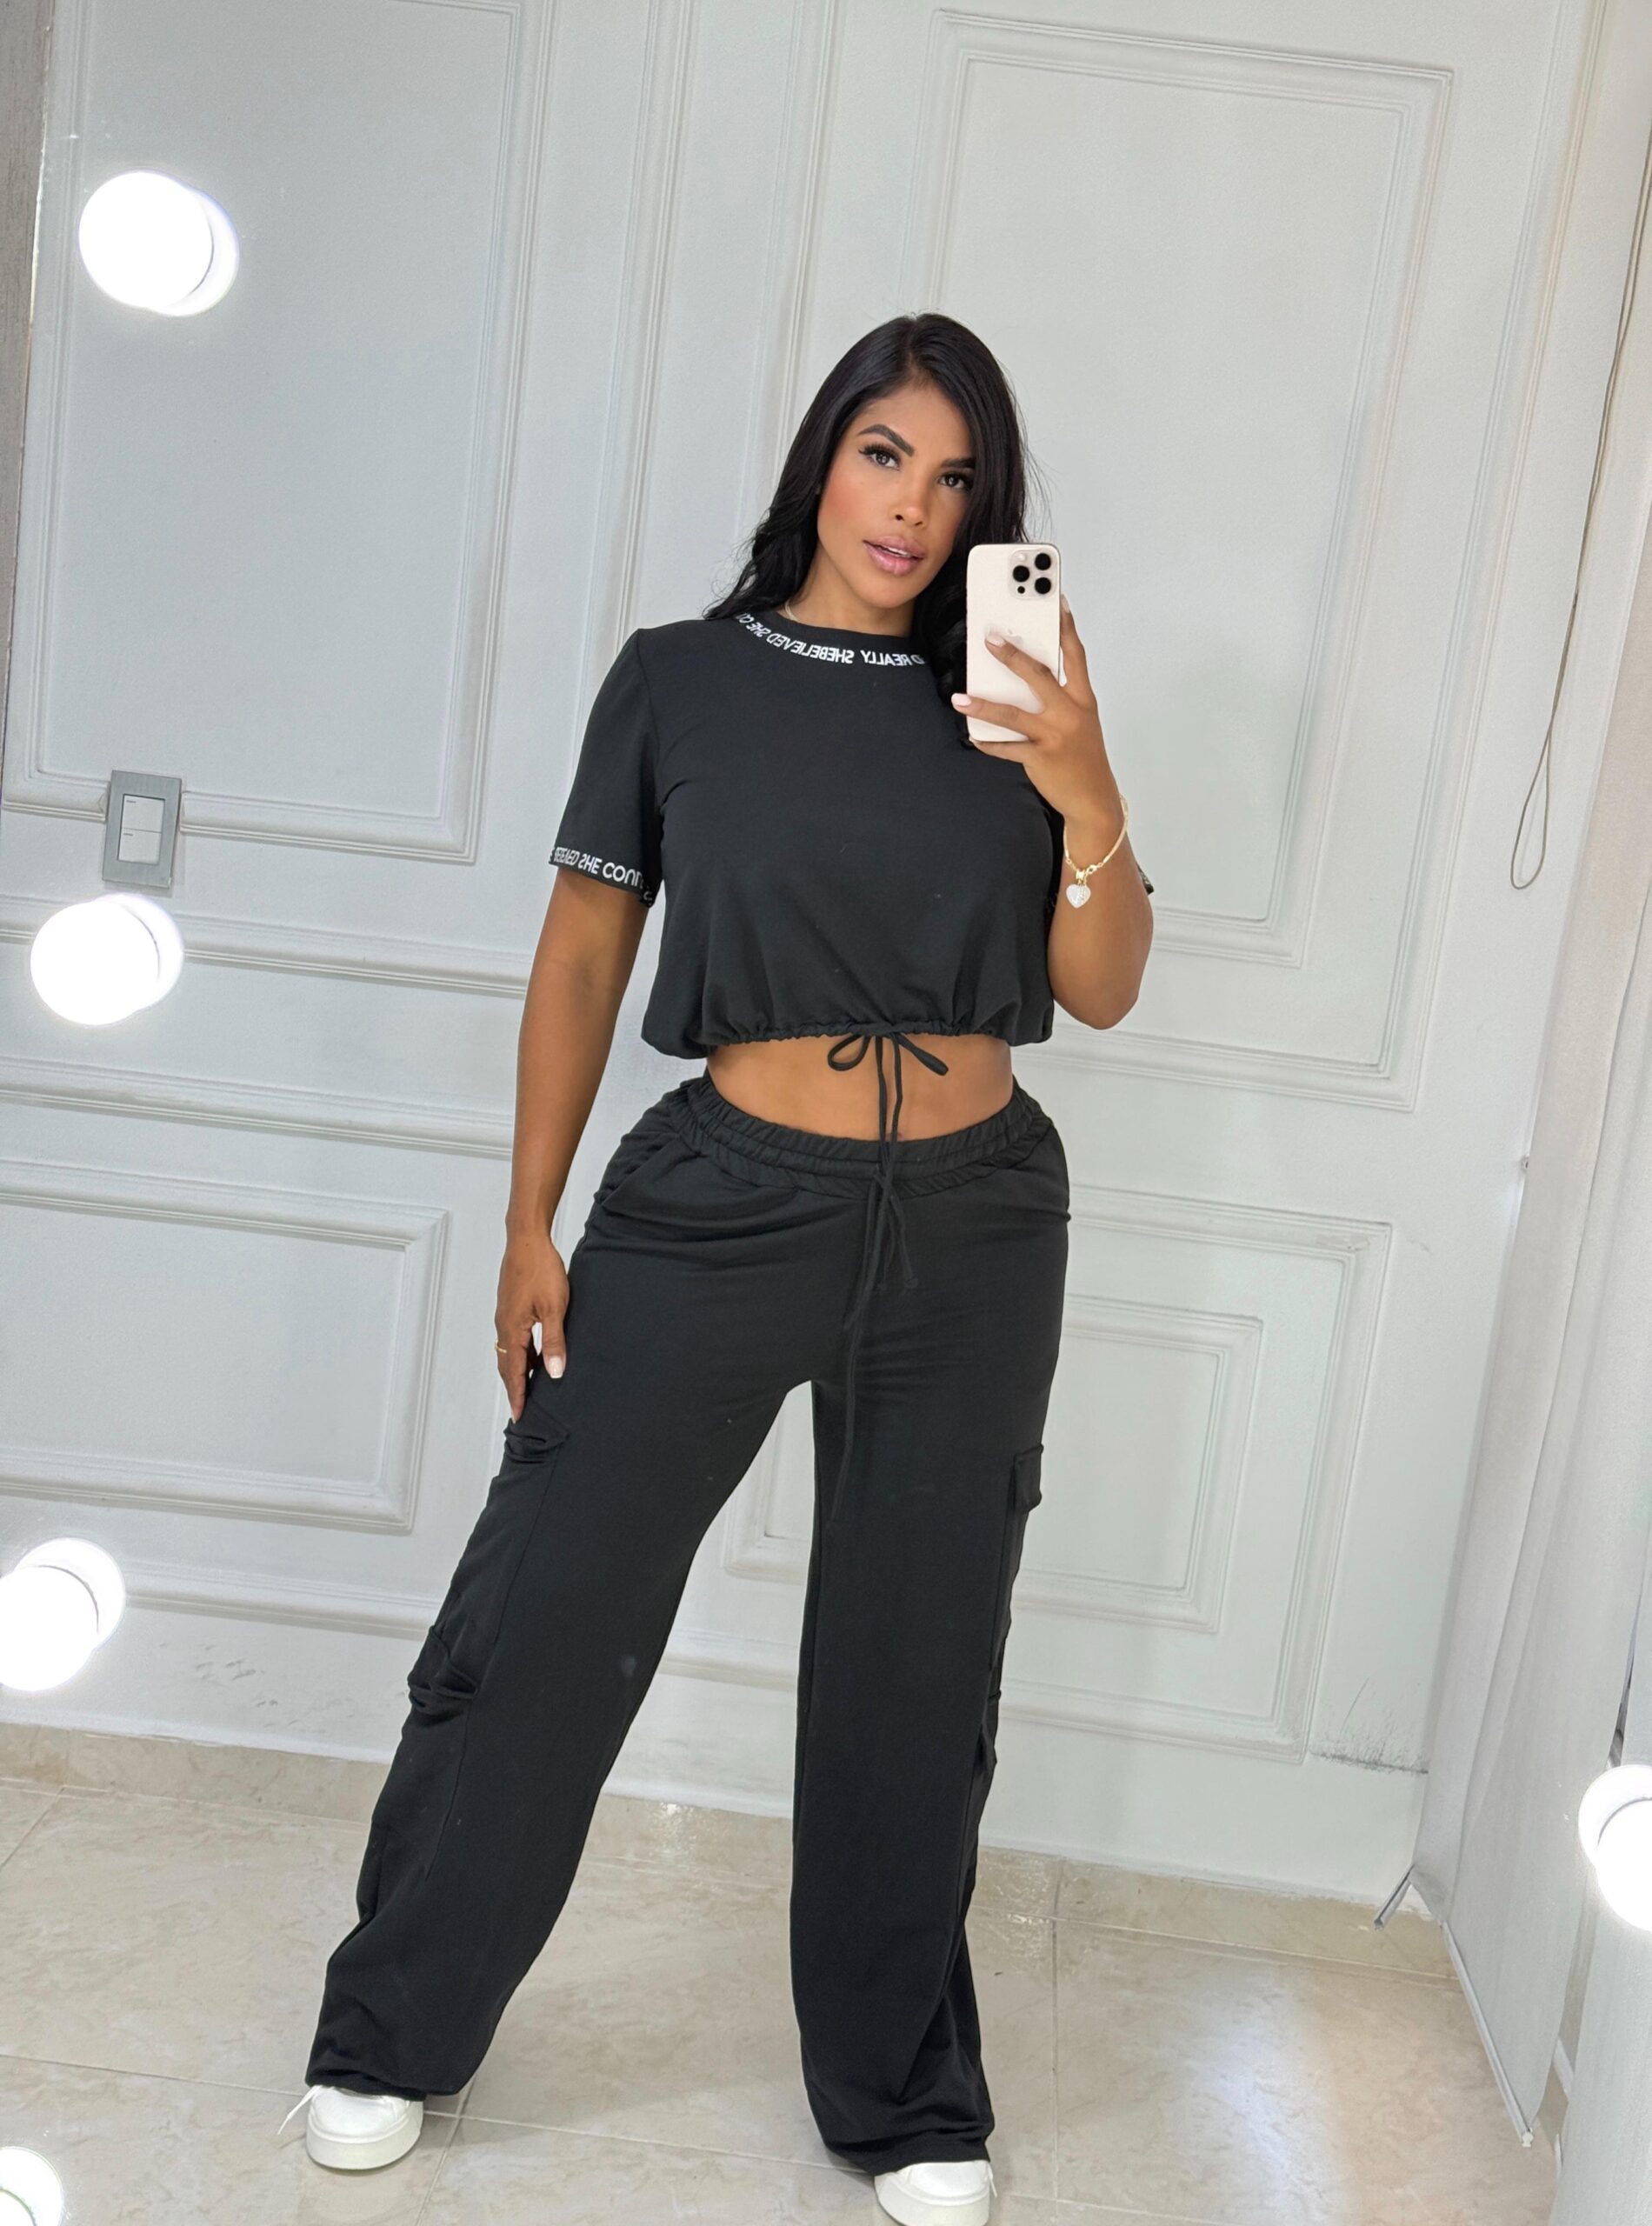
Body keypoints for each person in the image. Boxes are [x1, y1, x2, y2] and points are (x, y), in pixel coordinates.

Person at [278, 310, 1153, 2226]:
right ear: (819, 459)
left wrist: (1084, 782)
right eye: (881, 456)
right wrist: (532, 1213)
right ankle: (391, 2028)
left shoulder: (1015, 696)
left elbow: (1099, 986)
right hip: (723, 1192)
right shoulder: (678, 681)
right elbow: (585, 951)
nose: (911, 508)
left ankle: (902, 2092)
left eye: (954, 480)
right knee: (548, 1608)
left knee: (919, 1657)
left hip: (980, 1219)